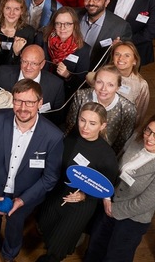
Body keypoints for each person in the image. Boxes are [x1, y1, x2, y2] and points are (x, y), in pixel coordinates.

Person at [0, 79, 64, 262]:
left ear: (40, 103)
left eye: (30, 102)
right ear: (12, 100)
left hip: (25, 193)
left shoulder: (53, 136)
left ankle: (9, 255)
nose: (23, 107)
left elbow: (50, 178)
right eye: (18, 101)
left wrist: (23, 200)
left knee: (15, 225)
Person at [84, 113, 155, 262]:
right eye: (149, 130)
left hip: (132, 219)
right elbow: (114, 166)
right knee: (95, 247)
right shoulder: (136, 140)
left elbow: (143, 203)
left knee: (116, 257)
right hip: (109, 202)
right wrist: (107, 197)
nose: (150, 138)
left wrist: (113, 210)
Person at [37, 102, 118, 262]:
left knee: (58, 244)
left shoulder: (107, 157)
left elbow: (105, 189)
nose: (85, 127)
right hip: (57, 192)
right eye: (82, 120)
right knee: (44, 225)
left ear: (103, 125)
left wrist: (84, 195)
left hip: (79, 204)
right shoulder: (72, 135)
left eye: (92, 123)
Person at [66, 65, 138, 155]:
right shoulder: (81, 96)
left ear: (118, 87)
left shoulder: (128, 109)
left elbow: (121, 142)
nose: (103, 89)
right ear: (94, 82)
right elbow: (70, 126)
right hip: (77, 147)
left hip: (104, 154)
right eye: (99, 82)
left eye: (110, 85)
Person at [0, 44, 65, 124]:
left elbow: (57, 120)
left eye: (34, 63)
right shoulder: (3, 74)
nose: (28, 67)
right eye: (25, 62)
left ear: (42, 64)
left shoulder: (55, 85)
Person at [87, 41, 151, 125]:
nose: (121, 58)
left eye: (127, 55)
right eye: (117, 54)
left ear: (135, 61)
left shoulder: (141, 85)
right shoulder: (101, 74)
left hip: (119, 126)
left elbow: (138, 115)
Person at [78, 0, 133, 68]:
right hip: (67, 70)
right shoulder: (73, 15)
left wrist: (117, 48)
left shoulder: (121, 27)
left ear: (106, 2)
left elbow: (125, 57)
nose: (91, 2)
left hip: (98, 74)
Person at [41, 6, 91, 97]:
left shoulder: (83, 49)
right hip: (40, 88)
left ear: (75, 25)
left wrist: (68, 75)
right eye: (58, 23)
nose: (62, 28)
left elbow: (82, 83)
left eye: (67, 24)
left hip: (62, 94)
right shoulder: (43, 40)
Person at [0, 0, 36, 76]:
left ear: (22, 12)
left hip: (14, 75)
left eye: (16, 9)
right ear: (2, 9)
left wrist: (16, 53)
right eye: (8, 8)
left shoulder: (28, 32)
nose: (11, 13)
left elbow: (28, 64)